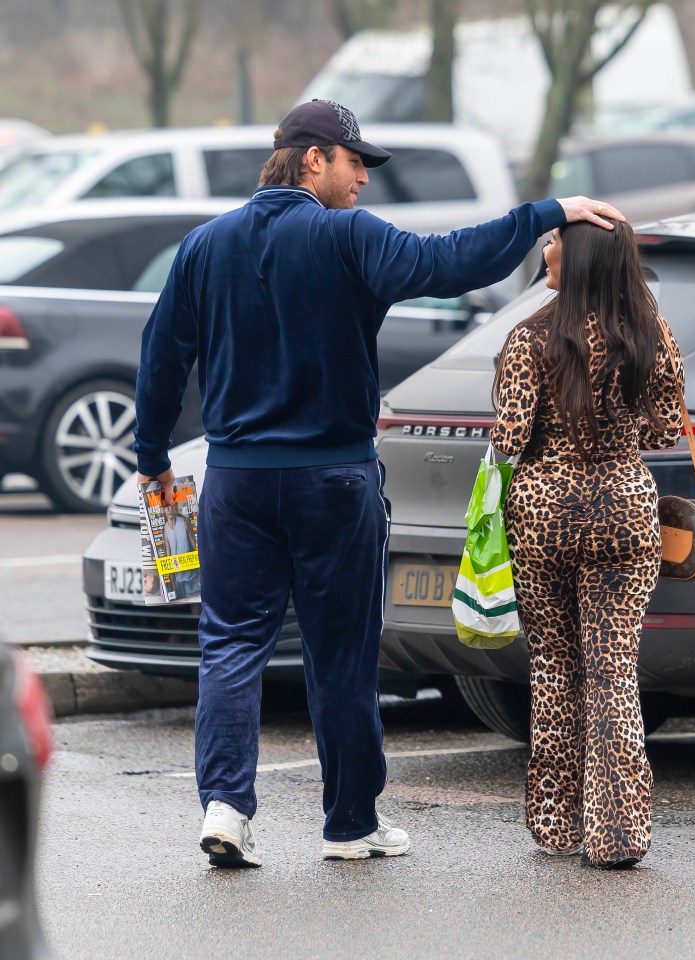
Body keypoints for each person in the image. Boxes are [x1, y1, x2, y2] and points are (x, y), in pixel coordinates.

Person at [133, 96, 623, 868]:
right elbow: (451, 262)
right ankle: (350, 823)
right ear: (311, 160)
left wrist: (152, 453)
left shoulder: (203, 246)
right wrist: (546, 212)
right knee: (341, 655)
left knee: (230, 646)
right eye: (354, 161)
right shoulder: (346, 237)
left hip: (236, 482)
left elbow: (162, 357)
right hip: (333, 479)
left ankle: (225, 806)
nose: (364, 177)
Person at [490, 219, 684, 870]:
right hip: (624, 512)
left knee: (552, 671)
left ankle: (556, 821)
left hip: (543, 515)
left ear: (577, 258)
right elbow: (662, 429)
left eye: (553, 242)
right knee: (612, 674)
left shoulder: (528, 337)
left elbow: (510, 438)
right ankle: (618, 834)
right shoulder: (650, 333)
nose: (544, 251)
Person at [161, 505, 198, 599]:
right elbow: (168, 554)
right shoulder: (165, 530)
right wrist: (172, 581)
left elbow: (194, 545)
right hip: (178, 577)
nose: (169, 510)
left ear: (173, 508)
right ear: (164, 511)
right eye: (166, 508)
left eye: (170, 507)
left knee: (196, 602)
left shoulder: (184, 522)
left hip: (192, 574)